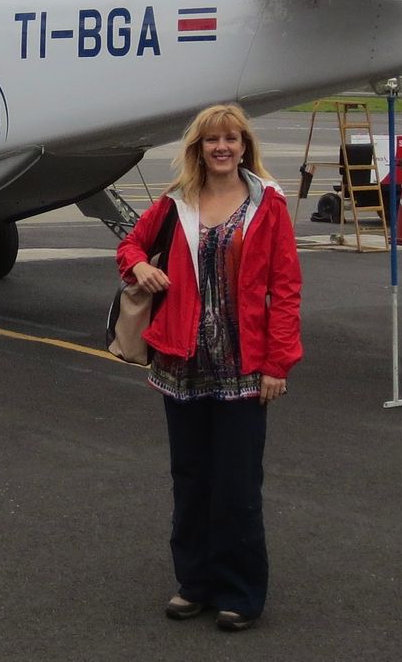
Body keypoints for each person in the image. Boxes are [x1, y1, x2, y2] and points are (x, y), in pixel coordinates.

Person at [115, 102, 302, 633]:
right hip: (182, 365)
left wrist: (277, 363)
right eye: (212, 140)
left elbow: (286, 289)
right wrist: (140, 265)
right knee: (191, 479)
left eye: (231, 139)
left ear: (244, 147)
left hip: (243, 367)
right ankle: (195, 583)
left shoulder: (268, 204)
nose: (222, 147)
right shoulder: (176, 202)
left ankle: (241, 592)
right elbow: (129, 245)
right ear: (198, 148)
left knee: (237, 485)